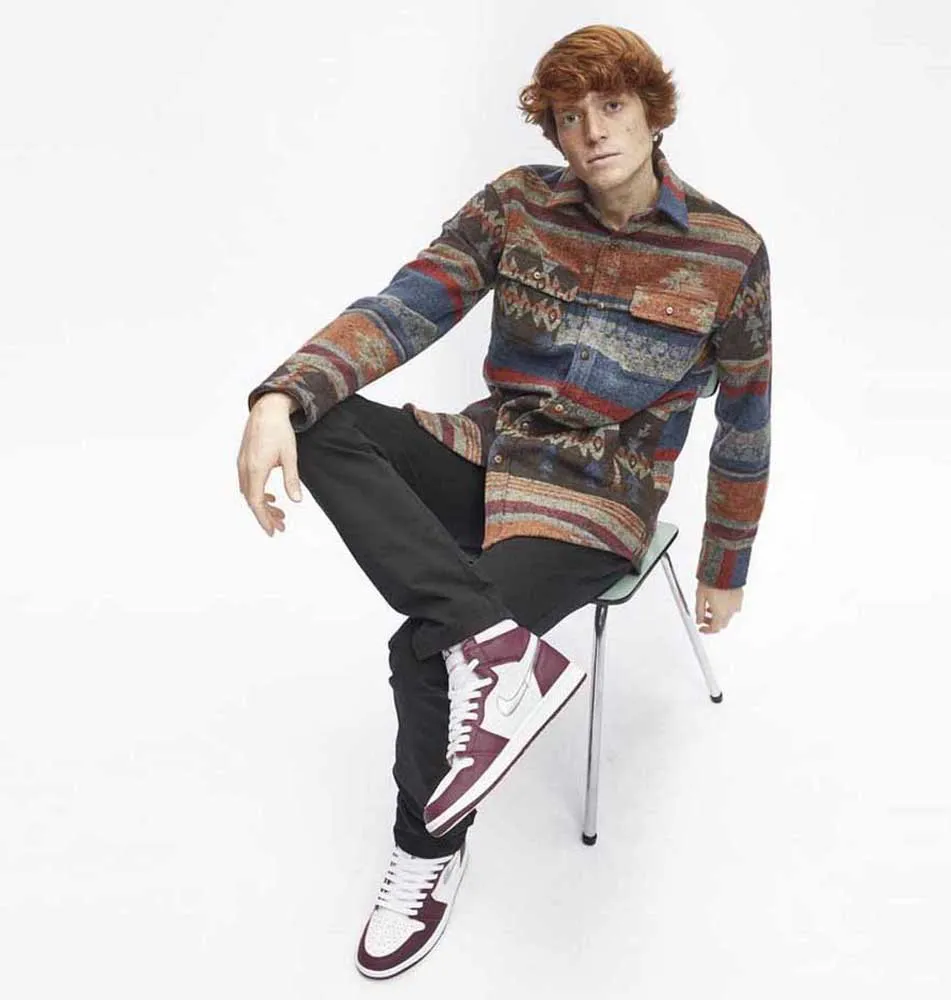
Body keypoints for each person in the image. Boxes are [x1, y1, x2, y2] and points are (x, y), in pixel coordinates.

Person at [236, 23, 771, 980]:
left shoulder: (729, 252)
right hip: (490, 453)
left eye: (612, 106)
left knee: (421, 647)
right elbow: (407, 304)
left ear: (653, 113)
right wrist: (279, 395)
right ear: (553, 132)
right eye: (570, 117)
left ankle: (426, 852)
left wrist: (722, 566)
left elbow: (745, 422)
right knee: (321, 417)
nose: (592, 131)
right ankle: (495, 644)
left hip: (597, 500)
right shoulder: (516, 204)